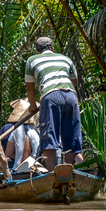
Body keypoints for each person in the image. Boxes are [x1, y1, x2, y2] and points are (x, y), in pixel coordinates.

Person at [24, 36, 83, 171]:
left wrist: (33, 107)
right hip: (71, 95)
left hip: (50, 96)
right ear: (53, 49)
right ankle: (68, 172)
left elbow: (30, 88)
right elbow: (74, 82)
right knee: (71, 137)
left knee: (49, 137)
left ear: (37, 51)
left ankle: (53, 174)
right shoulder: (65, 59)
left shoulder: (32, 60)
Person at [0, 99, 40, 174]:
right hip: (35, 166)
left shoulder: (10, 128)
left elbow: (8, 154)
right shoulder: (37, 130)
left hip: (18, 167)